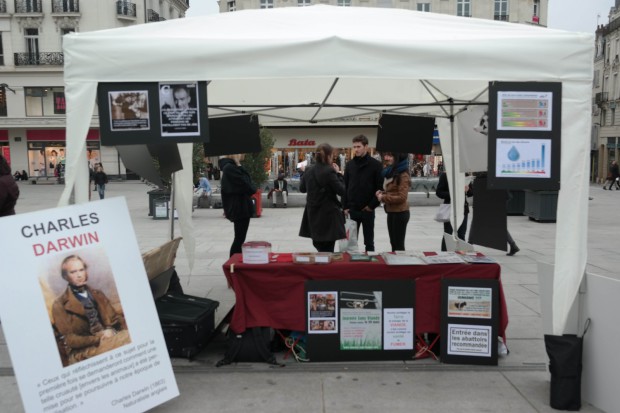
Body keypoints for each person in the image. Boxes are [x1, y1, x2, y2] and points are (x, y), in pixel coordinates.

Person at [52, 255, 129, 366]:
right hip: (84, 350)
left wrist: (112, 331)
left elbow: (115, 320)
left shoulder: (98, 295)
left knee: (130, 336)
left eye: (81, 270)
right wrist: (98, 338)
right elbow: (71, 340)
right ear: (65, 276)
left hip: (109, 338)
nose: (79, 275)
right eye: (73, 272)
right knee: (127, 339)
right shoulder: (59, 305)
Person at [299, 143, 346, 253]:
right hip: (328, 215)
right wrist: (338, 174)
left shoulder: (309, 170)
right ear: (329, 156)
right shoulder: (329, 171)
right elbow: (342, 191)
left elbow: (302, 189)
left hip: (312, 213)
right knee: (328, 248)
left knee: (319, 246)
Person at [342, 135, 383, 252]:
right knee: (350, 243)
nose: (356, 149)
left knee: (369, 242)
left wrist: (371, 206)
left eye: (358, 146)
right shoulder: (349, 165)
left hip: (367, 210)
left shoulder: (376, 165)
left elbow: (380, 188)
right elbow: (344, 187)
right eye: (354, 147)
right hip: (352, 209)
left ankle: (370, 268)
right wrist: (344, 206)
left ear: (366, 147)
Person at [218, 154, 257, 257]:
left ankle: (234, 263)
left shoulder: (229, 167)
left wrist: (239, 166)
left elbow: (247, 183)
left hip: (239, 207)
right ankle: (232, 264)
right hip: (239, 208)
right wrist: (239, 165)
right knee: (239, 239)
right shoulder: (230, 168)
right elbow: (249, 186)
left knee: (240, 238)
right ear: (235, 154)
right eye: (242, 153)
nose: (243, 155)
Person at [375, 152, 411, 252]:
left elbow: (402, 197)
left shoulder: (403, 175)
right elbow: (393, 191)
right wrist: (382, 192)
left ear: (397, 158)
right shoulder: (392, 172)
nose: (386, 158)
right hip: (391, 212)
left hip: (400, 213)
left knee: (398, 245)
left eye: (390, 156)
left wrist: (383, 197)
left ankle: (401, 265)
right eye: (385, 155)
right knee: (393, 243)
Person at [436, 172, 472, 251]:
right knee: (448, 234)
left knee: (461, 235)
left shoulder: (465, 174)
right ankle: (444, 256)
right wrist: (454, 194)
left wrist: (468, 189)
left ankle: (461, 255)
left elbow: (471, 193)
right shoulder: (445, 175)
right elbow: (439, 192)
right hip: (450, 208)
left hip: (463, 209)